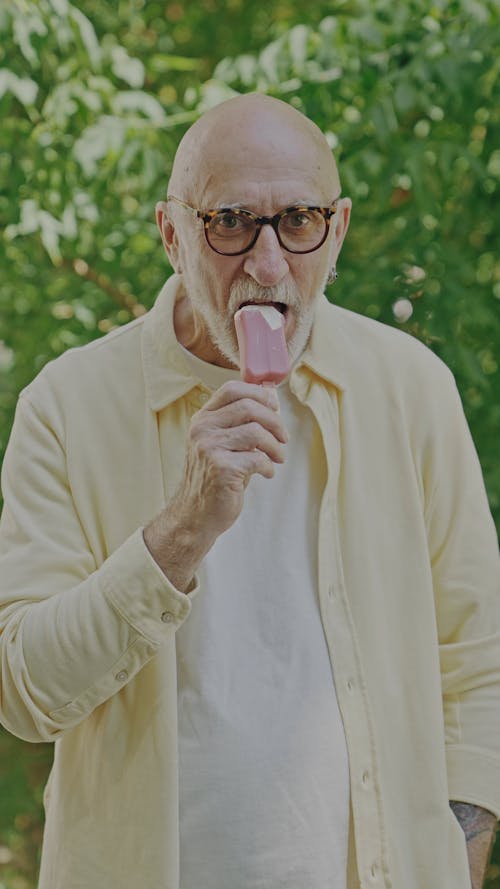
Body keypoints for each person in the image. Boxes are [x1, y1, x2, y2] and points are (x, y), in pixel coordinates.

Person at [0, 93, 498, 889]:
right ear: (172, 234)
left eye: (298, 222)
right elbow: (25, 691)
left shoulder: (411, 390)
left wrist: (459, 864)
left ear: (335, 231)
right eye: (229, 222)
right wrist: (181, 532)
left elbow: (479, 663)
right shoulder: (66, 406)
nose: (267, 266)